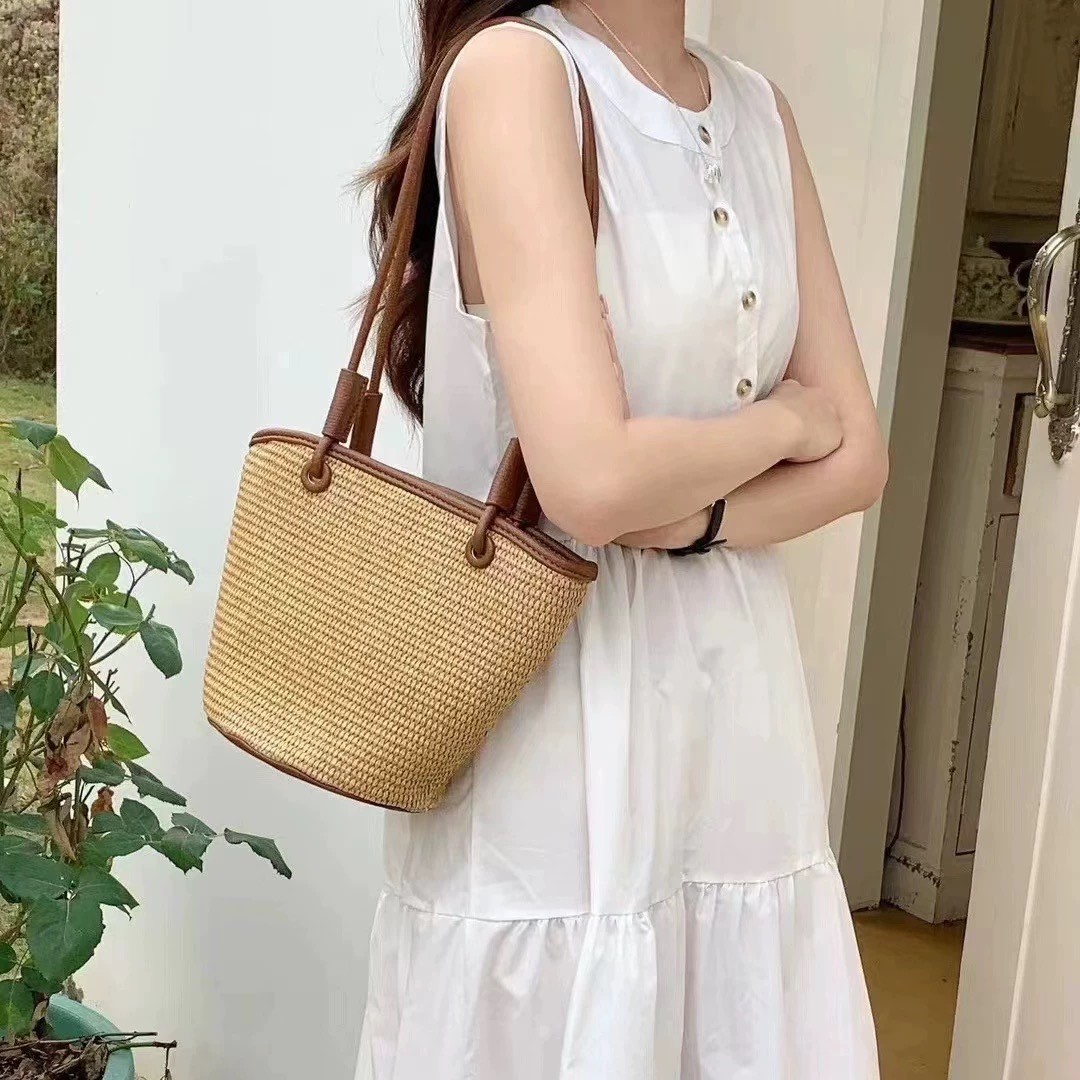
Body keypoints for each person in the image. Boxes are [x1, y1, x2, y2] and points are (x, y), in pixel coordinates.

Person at [354, 2, 887, 1076]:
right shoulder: (518, 73)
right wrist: (783, 427)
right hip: (561, 726)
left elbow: (862, 460)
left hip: (736, 723)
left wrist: (693, 515)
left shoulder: (760, 112)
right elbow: (591, 482)